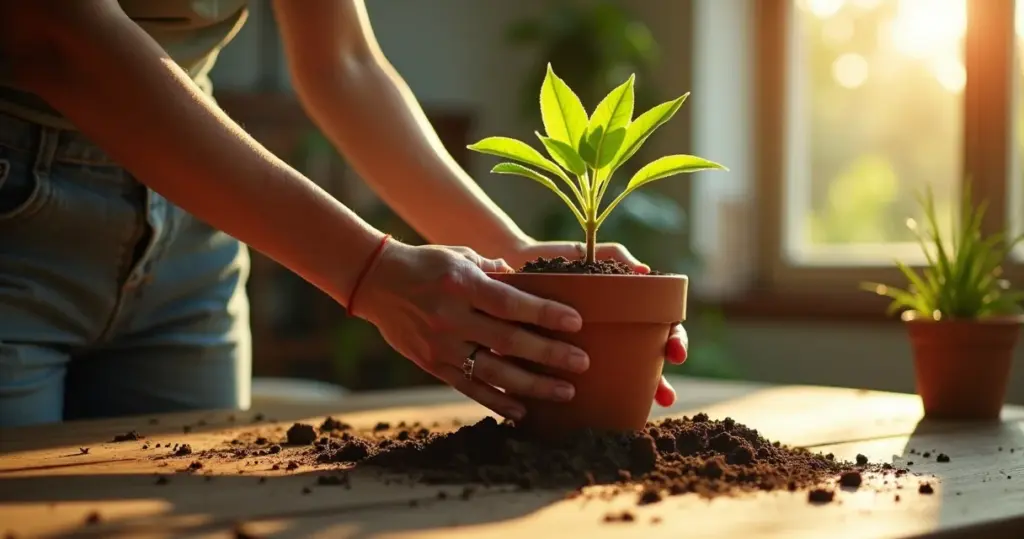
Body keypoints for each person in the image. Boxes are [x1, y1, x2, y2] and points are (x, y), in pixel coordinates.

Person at [0, 0, 688, 429]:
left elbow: (344, 63)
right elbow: (58, 36)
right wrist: (370, 273)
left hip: (190, 239)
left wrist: (508, 256)